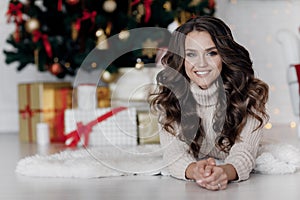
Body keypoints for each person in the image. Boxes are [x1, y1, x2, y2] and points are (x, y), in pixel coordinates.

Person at [150, 16, 269, 191]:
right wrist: (196, 171)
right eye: (191, 54)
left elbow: (245, 151)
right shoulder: (170, 96)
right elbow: (174, 153)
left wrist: (224, 172)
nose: (201, 63)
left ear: (224, 55)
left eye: (211, 53)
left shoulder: (249, 94)